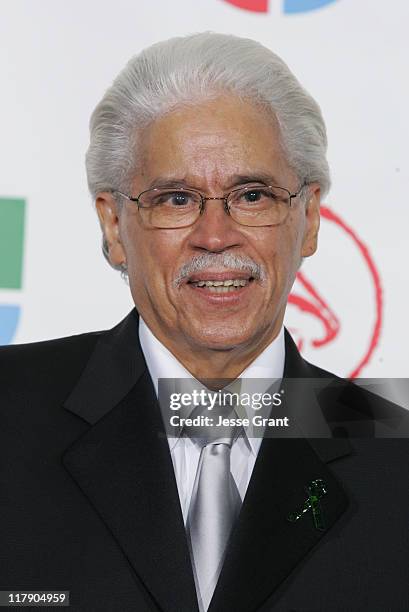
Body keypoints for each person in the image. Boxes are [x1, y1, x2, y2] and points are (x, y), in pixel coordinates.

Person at [1, 33, 408, 612]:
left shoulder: (395, 449)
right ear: (115, 226)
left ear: (309, 219)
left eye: (252, 195)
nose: (215, 236)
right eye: (175, 199)